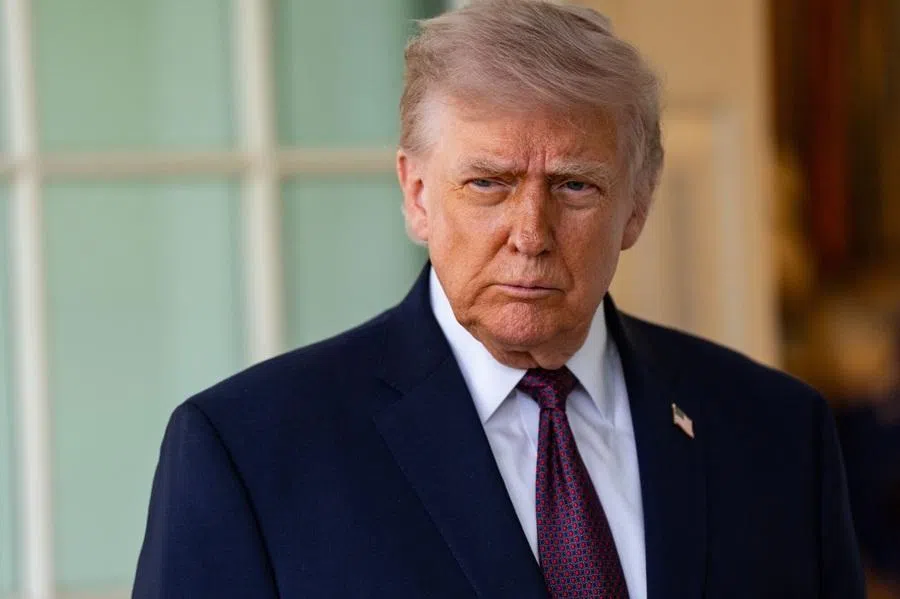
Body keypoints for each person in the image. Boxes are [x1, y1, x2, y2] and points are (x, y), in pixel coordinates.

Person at [132, 1, 864, 597]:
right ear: (417, 195)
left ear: (636, 204)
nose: (530, 234)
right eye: (489, 183)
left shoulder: (779, 432)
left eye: (575, 186)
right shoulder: (247, 452)